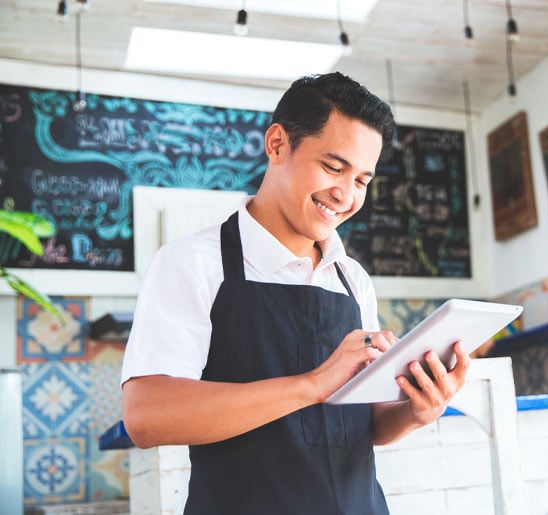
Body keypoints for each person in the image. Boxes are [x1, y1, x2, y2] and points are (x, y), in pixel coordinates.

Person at [121, 72, 470, 515]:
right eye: (333, 167)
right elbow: (146, 417)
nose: (345, 195)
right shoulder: (191, 264)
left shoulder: (353, 279)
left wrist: (419, 410)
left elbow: (363, 425)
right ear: (278, 144)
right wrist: (311, 385)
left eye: (362, 180)